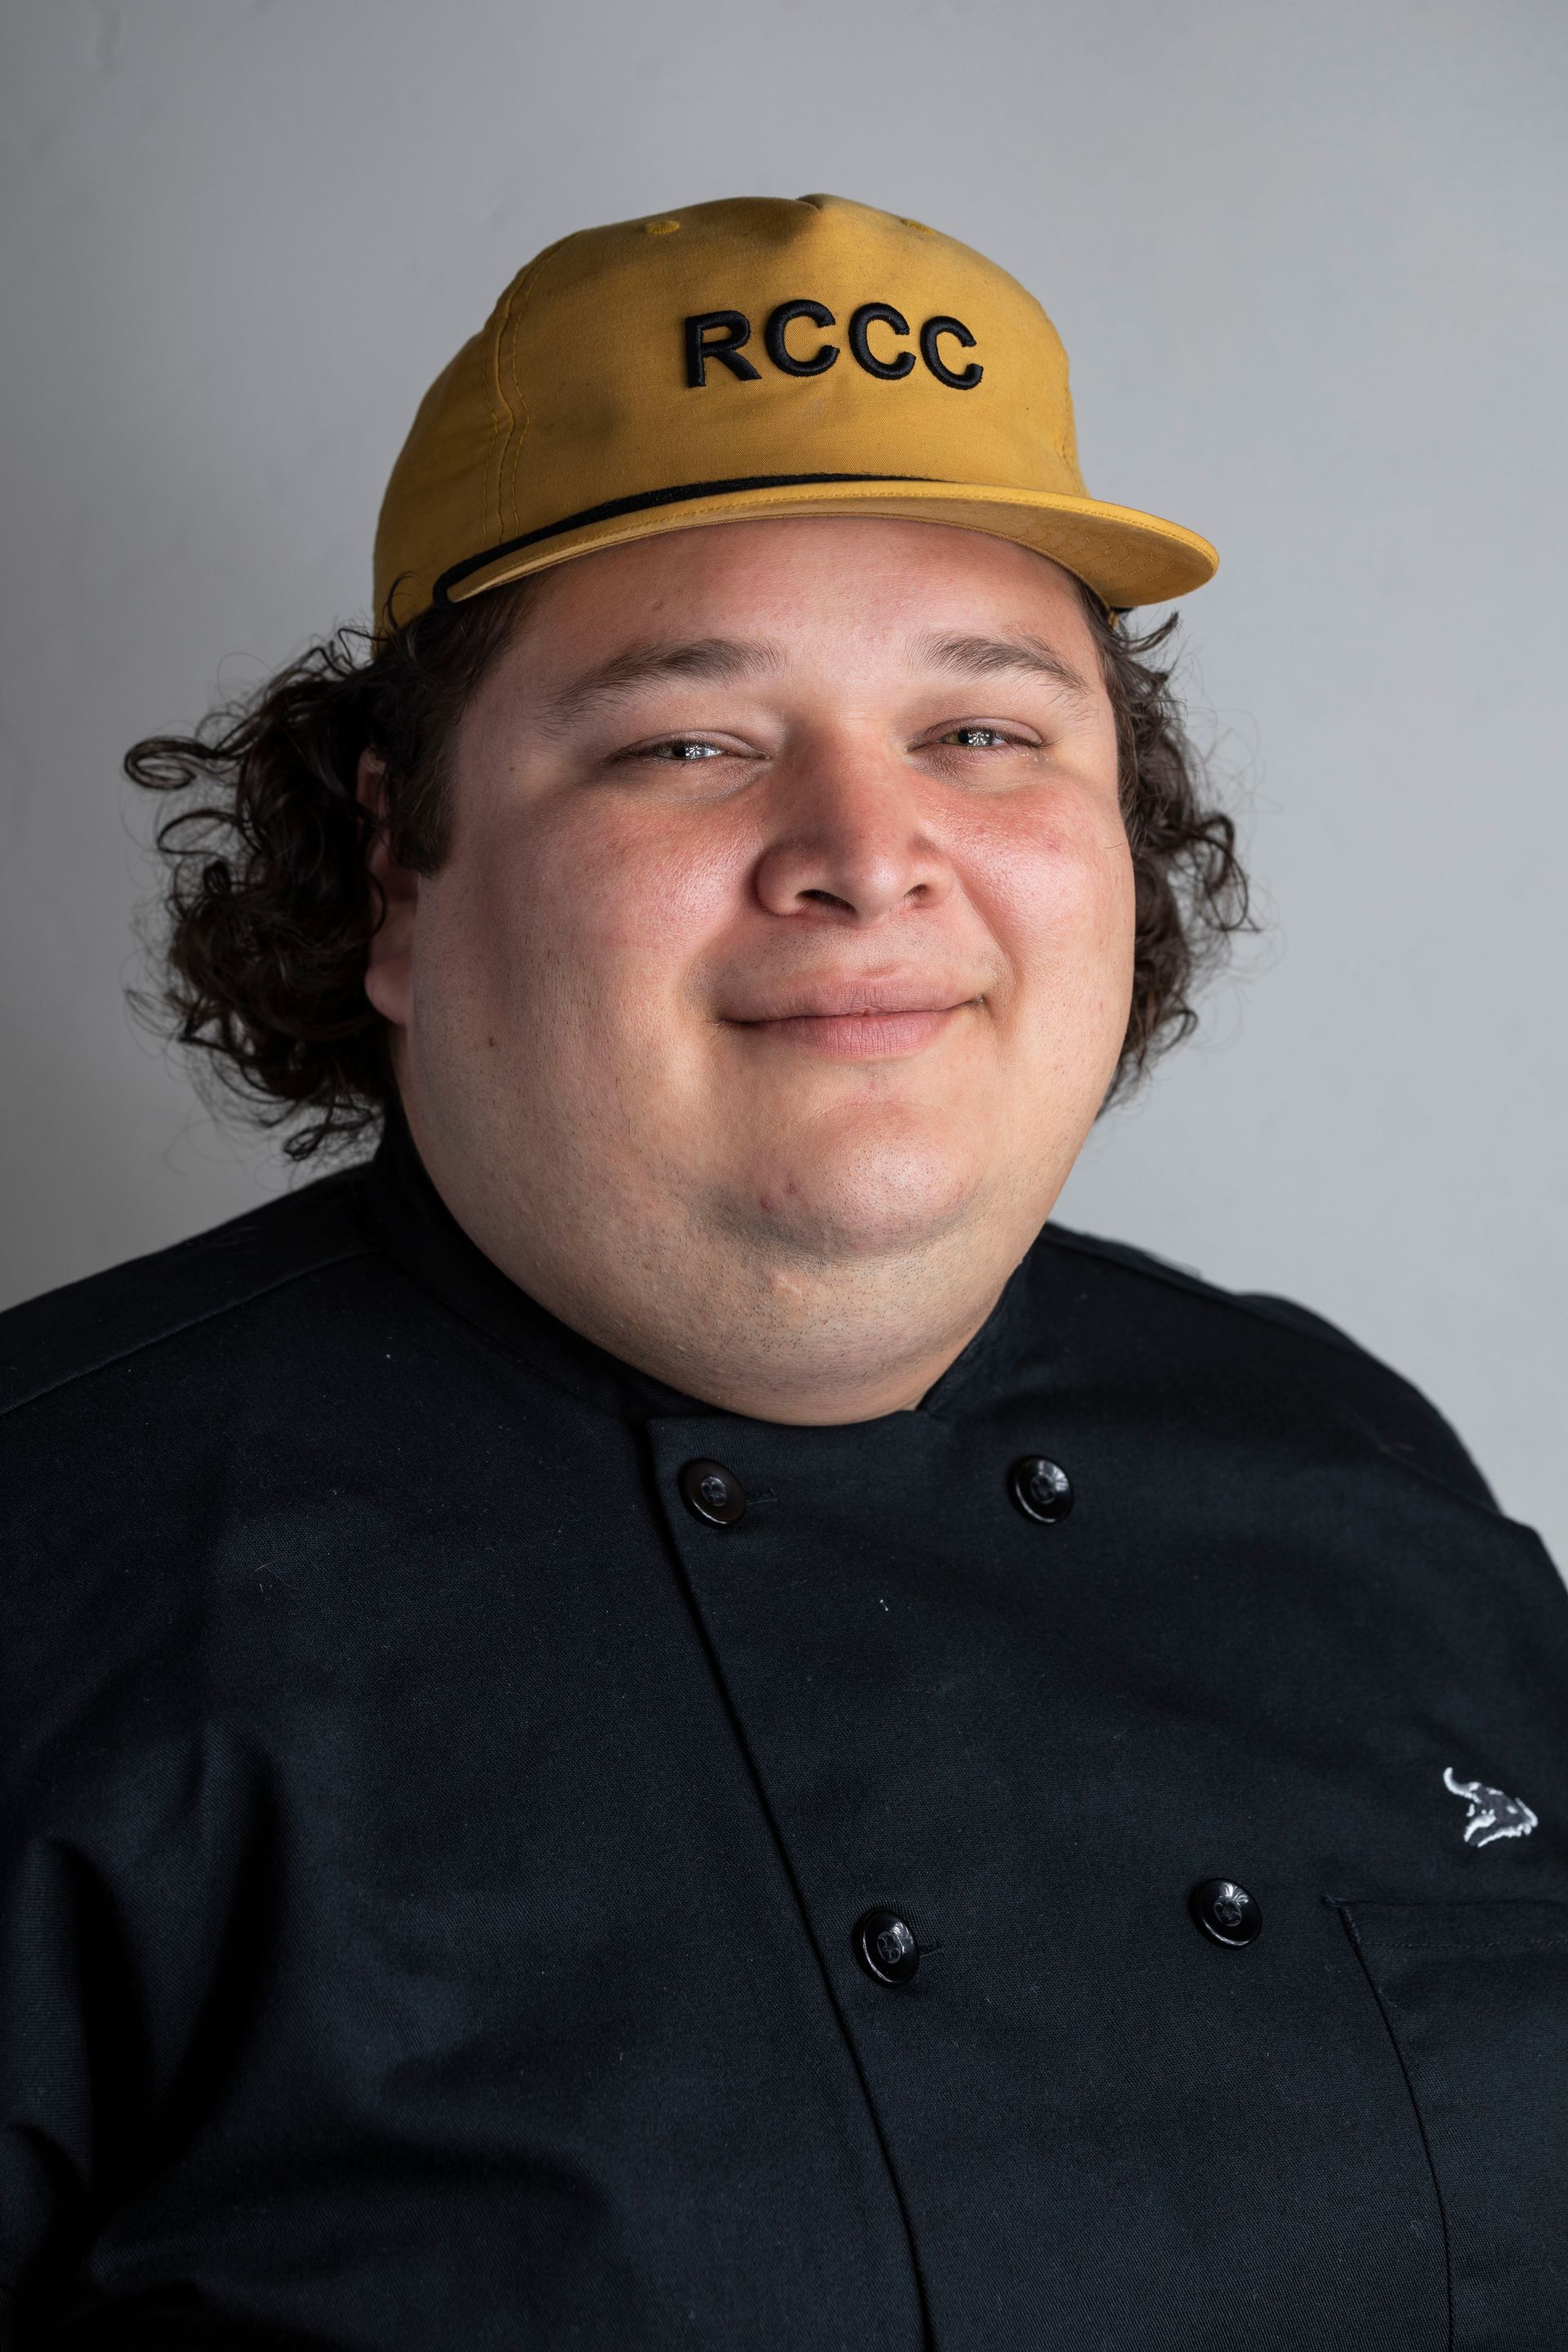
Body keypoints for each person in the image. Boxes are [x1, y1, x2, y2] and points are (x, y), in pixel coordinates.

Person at [2, 193, 1564, 2352]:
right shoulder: (46, 1564)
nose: (866, 847)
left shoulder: (1353, 1465)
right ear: (394, 859)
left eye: (984, 731)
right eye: (688, 742)